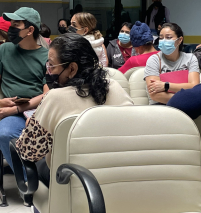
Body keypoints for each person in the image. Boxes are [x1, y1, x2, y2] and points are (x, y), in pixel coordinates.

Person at [15, 33, 133, 187]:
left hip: (71, 182)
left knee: (39, 165)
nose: (49, 71)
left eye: (51, 65)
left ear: (72, 68)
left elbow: (28, 152)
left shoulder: (54, 98)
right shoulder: (115, 87)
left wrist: (32, 126)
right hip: (120, 180)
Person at [0, 7, 49, 170]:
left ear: (30, 30)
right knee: (5, 134)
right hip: (13, 113)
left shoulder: (47, 56)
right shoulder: (4, 49)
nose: (11, 29)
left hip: (38, 110)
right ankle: (27, 178)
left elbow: (47, 94)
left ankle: (45, 174)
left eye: (16, 25)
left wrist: (16, 109)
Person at [145, 23, 200, 105]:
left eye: (168, 37)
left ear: (179, 40)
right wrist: (186, 98)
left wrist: (166, 86)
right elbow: (155, 95)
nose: (164, 41)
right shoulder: (154, 60)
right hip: (159, 107)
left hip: (186, 108)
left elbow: (195, 87)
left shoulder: (190, 58)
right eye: (161, 38)